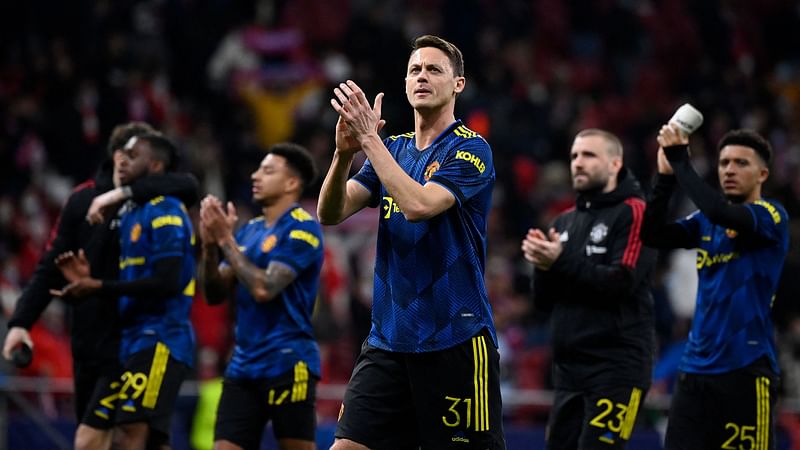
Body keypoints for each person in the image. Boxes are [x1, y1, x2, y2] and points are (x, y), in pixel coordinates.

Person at [318, 35, 505, 450]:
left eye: (434, 69)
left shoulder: (471, 149)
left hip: (454, 341)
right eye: (415, 70)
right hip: (388, 341)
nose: (422, 76)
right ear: (405, 83)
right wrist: (343, 154)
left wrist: (369, 141)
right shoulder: (394, 149)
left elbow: (419, 204)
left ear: (458, 84)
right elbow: (331, 213)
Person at [2, 122, 198, 450]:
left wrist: (97, 283)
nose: (124, 159)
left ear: (152, 165)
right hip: (92, 338)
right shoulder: (83, 201)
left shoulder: (158, 202)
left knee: (127, 435)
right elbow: (51, 265)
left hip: (141, 337)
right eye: (123, 152)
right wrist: (21, 322)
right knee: (111, 436)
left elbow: (188, 185)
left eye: (135, 154)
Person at [641, 126, 788, 449]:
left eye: (740, 163)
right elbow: (653, 235)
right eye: (724, 163)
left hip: (746, 370)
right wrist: (664, 179)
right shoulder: (705, 222)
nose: (730, 170)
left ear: (762, 173)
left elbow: (722, 212)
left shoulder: (771, 216)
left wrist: (681, 161)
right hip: (694, 373)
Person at [520, 129, 657, 449]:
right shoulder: (563, 223)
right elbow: (543, 302)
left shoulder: (636, 212)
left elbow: (622, 282)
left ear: (615, 164)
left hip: (617, 369)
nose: (578, 163)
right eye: (574, 156)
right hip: (569, 371)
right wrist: (543, 267)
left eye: (589, 155)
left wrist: (561, 260)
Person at [198, 142, 323, 450]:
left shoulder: (302, 228)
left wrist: (225, 239)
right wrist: (210, 245)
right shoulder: (250, 230)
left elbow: (264, 288)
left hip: (288, 361)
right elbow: (214, 294)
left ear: (292, 183)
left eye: (267, 171)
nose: (256, 176)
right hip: (243, 364)